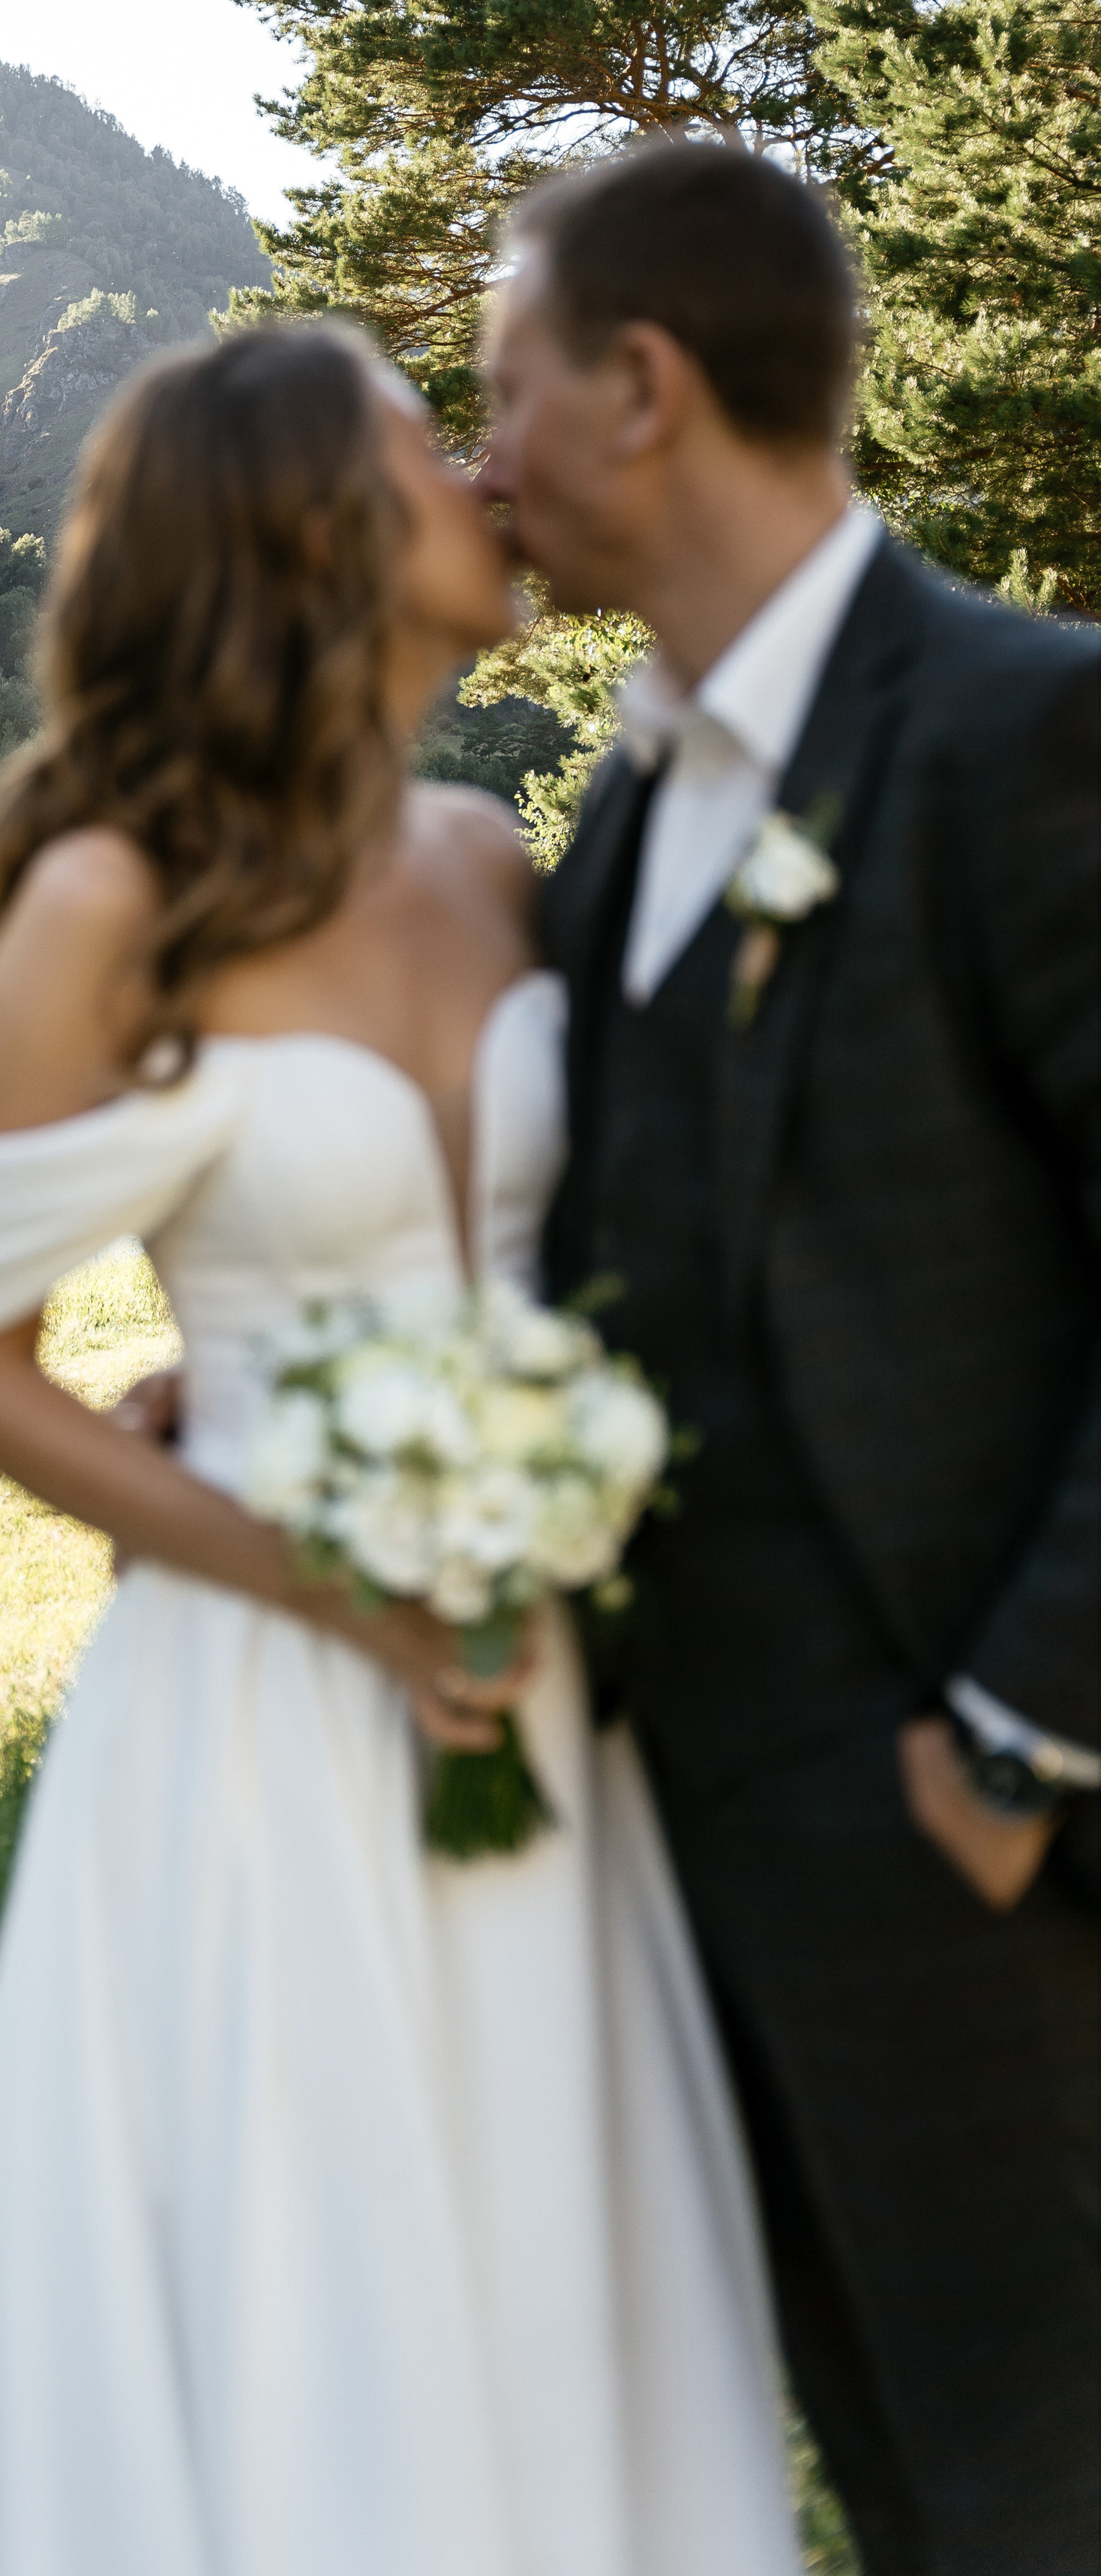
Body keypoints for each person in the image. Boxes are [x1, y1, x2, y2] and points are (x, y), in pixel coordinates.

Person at [0, 322, 800, 2574]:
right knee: (309, 2287)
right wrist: (322, 1572)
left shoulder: (490, 857)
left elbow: (605, 1237)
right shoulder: (115, 903)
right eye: (416, 443)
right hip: (271, 1702)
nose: (479, 468)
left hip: (546, 1678)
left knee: (559, 2281)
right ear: (309, 534)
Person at [476, 137, 1100, 2576]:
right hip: (690, 1848)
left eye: (510, 388)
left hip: (983, 1854)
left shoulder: (1025, 731)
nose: (481, 455)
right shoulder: (633, 802)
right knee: (909, 2482)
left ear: (646, 388)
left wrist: (1025, 1740)